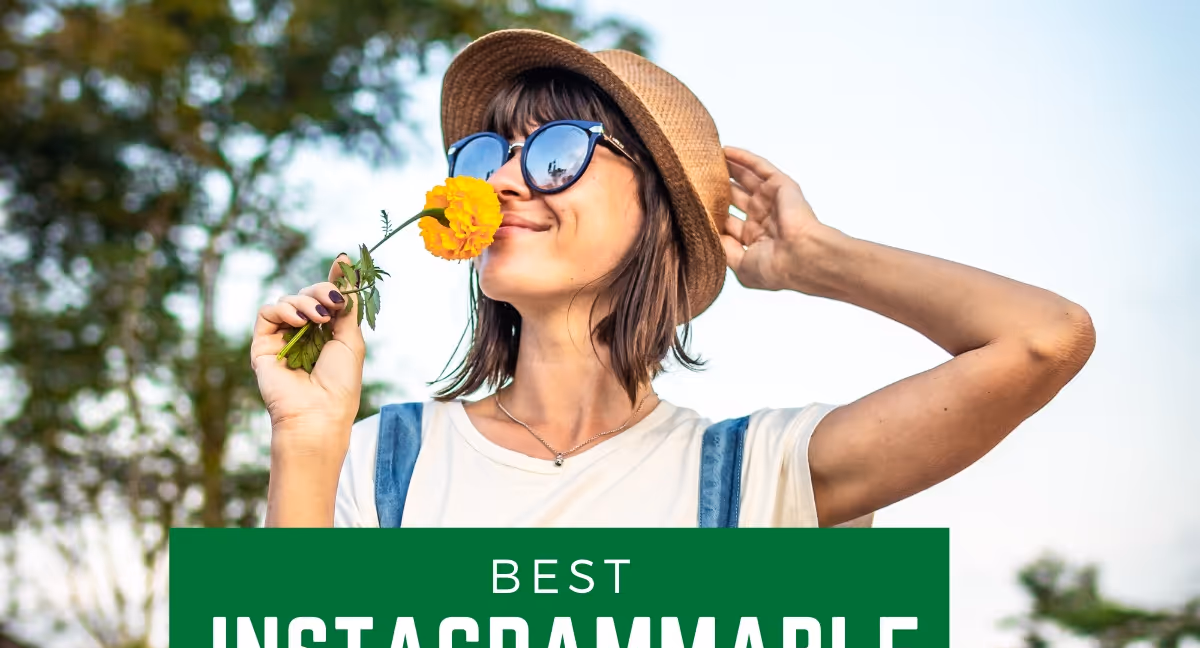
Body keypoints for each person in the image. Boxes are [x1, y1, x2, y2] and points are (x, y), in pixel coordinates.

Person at [250, 30, 1095, 529]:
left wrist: (818, 259)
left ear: (658, 213)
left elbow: (1044, 338)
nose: (500, 183)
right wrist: (307, 436)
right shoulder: (378, 460)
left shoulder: (758, 477)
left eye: (554, 154)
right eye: (487, 156)